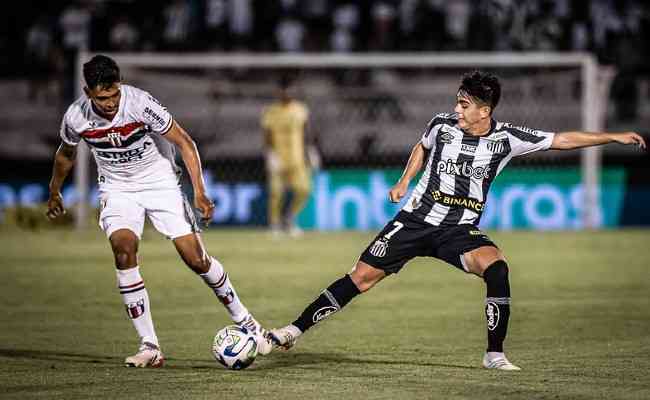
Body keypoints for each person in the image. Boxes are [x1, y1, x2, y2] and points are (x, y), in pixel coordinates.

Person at [267, 70, 646, 370]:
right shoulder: (441, 125)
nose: (457, 109)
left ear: (485, 110)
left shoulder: (508, 138)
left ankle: (494, 354)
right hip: (414, 220)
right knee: (360, 278)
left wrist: (612, 136)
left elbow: (562, 139)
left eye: (465, 105)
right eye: (457, 103)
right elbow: (421, 146)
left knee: (496, 267)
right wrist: (404, 180)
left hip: (458, 230)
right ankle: (292, 331)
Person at [46, 55, 272, 368]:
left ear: (120, 86)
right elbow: (65, 154)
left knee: (196, 259)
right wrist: (55, 190)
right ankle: (149, 345)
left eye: (114, 95)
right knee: (123, 252)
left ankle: (249, 324)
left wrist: (200, 192)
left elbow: (185, 142)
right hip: (117, 188)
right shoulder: (76, 116)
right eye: (102, 98)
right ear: (88, 93)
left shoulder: (140, 104)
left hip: (159, 182)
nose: (110, 103)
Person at [261, 76, 319, 236]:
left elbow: (307, 132)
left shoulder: (301, 110)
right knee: (276, 193)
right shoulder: (271, 111)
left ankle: (290, 218)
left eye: (290, 90)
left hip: (297, 158)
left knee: (305, 189)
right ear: (279, 92)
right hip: (278, 158)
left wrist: (311, 151)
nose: (287, 93)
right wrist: (270, 154)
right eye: (284, 90)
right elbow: (266, 135)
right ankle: (274, 224)